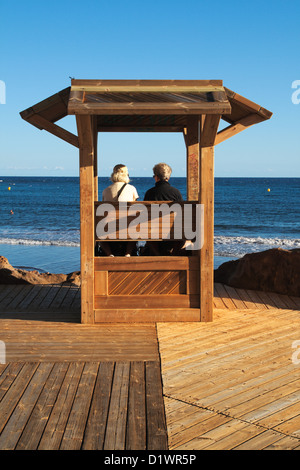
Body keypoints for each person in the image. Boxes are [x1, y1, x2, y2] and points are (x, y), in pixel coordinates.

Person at [143, 163, 184, 256]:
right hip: (173, 232)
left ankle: (158, 255)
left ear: (156, 177)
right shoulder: (175, 192)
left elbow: (144, 214)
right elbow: (182, 213)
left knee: (148, 231)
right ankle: (173, 255)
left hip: (153, 232)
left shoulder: (149, 193)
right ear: (168, 177)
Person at [100, 164, 139, 257]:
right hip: (127, 225)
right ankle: (128, 253)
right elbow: (135, 207)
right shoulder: (131, 189)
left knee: (100, 231)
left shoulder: (106, 190)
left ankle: (109, 253)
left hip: (109, 226)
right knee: (134, 227)